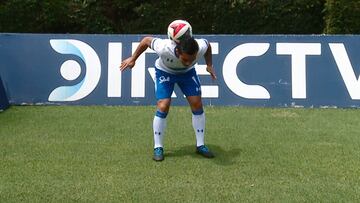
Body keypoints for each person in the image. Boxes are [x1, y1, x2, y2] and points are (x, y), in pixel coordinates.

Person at [120, 21, 216, 161]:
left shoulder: (199, 46)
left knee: (197, 104)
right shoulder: (164, 47)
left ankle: (200, 145)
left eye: (192, 59)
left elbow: (208, 46)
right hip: (165, 72)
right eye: (185, 59)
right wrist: (133, 58)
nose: (189, 61)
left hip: (188, 74)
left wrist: (209, 65)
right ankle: (158, 147)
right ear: (177, 51)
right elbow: (146, 41)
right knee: (163, 105)